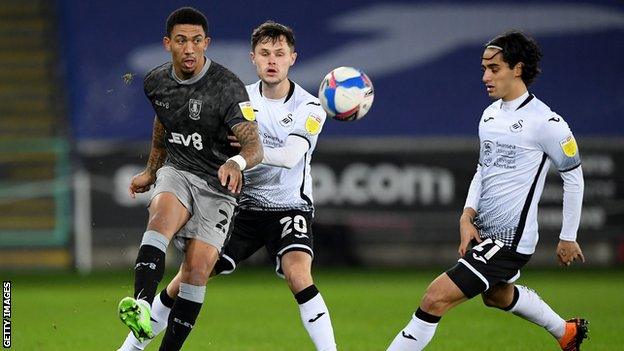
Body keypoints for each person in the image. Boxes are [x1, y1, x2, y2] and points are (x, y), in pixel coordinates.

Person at [117, 21, 337, 351]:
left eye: (279, 53)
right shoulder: (237, 97)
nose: (272, 60)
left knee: (298, 274)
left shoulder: (309, 107)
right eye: (265, 53)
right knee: (190, 275)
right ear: (253, 58)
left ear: (293, 58)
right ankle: (130, 348)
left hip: (288, 207)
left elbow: (291, 155)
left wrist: (242, 157)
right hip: (241, 206)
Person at [386, 30, 588, 351]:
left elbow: (573, 176)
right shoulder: (490, 114)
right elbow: (483, 169)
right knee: (497, 296)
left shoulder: (547, 123)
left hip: (510, 241)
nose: (485, 77)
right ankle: (566, 332)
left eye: (493, 69)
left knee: (434, 298)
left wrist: (568, 236)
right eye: (483, 68)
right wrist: (467, 216)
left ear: (517, 69)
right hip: (484, 232)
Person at [117, 7, 263, 351]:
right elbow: (163, 122)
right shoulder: (156, 81)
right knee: (160, 217)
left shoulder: (226, 86)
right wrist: (152, 171)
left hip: (218, 185)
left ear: (206, 43)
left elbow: (254, 146)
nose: (189, 49)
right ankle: (140, 303)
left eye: (197, 41)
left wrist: (236, 162)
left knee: (196, 272)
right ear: (168, 43)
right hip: (179, 171)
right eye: (181, 41)